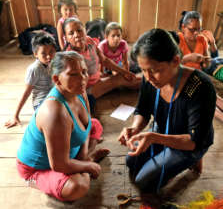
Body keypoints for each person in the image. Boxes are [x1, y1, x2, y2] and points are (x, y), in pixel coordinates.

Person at [118, 28, 216, 192]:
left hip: (191, 142)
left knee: (145, 182)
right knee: (131, 162)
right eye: (143, 70)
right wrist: (135, 128)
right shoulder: (150, 78)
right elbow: (142, 108)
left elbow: (194, 141)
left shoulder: (200, 87)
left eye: (154, 70)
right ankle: (166, 157)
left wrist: (154, 138)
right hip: (162, 131)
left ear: (176, 61)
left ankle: (193, 159)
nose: (148, 77)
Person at [16, 51, 108, 202]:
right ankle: (35, 180)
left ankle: (83, 162)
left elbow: (87, 127)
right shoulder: (54, 112)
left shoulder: (79, 91)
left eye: (84, 72)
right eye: (73, 74)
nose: (83, 79)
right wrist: (89, 167)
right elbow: (59, 165)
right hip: (38, 168)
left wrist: (84, 159)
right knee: (77, 187)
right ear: (57, 80)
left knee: (95, 125)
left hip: (65, 153)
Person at [63, 17, 141, 112]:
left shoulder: (89, 41)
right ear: (66, 38)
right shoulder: (70, 56)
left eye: (79, 30)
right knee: (119, 80)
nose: (77, 35)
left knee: (125, 77)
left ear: (85, 30)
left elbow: (104, 60)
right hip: (86, 91)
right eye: (71, 33)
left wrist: (124, 72)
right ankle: (147, 84)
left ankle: (148, 83)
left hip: (97, 80)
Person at [5, 32, 57, 128]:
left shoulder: (53, 63)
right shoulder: (34, 69)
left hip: (53, 98)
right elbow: (26, 93)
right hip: (41, 103)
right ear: (35, 54)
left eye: (51, 52)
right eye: (44, 53)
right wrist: (15, 115)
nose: (49, 56)